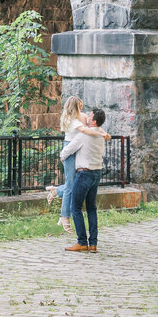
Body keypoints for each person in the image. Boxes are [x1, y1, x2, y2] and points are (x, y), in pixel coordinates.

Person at [45, 97, 109, 234]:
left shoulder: (84, 116)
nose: (82, 105)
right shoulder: (72, 120)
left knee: (73, 184)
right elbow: (87, 131)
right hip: (70, 148)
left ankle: (56, 191)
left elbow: (94, 125)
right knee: (70, 184)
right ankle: (65, 217)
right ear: (76, 105)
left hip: (79, 146)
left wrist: (103, 132)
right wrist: (102, 134)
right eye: (80, 103)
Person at [60, 108, 107, 254]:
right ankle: (93, 243)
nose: (87, 116)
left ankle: (81, 242)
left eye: (90, 116)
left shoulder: (83, 135)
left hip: (84, 173)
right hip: (96, 172)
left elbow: (68, 150)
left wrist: (62, 157)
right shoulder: (101, 135)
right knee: (91, 208)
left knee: (76, 208)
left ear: (93, 121)